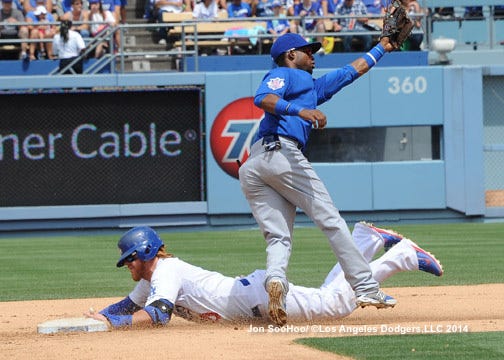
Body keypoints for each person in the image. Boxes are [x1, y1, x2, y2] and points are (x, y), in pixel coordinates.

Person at [238, 32, 399, 326]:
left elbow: (353, 71)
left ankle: (275, 282)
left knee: (278, 236)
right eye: (307, 50)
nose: (314, 54)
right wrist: (301, 110)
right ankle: (365, 287)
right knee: (331, 220)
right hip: (281, 155)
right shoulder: (284, 73)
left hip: (255, 165)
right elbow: (263, 97)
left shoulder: (310, 86)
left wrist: (383, 47)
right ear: (290, 56)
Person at [84, 223, 443, 327]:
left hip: (256, 300)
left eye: (130, 259)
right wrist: (105, 315)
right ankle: (366, 239)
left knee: (336, 305)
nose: (127, 265)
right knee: (327, 295)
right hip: (250, 299)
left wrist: (109, 326)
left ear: (146, 253)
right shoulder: (153, 278)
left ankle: (403, 256)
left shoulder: (165, 272)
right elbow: (131, 306)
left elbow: (158, 316)